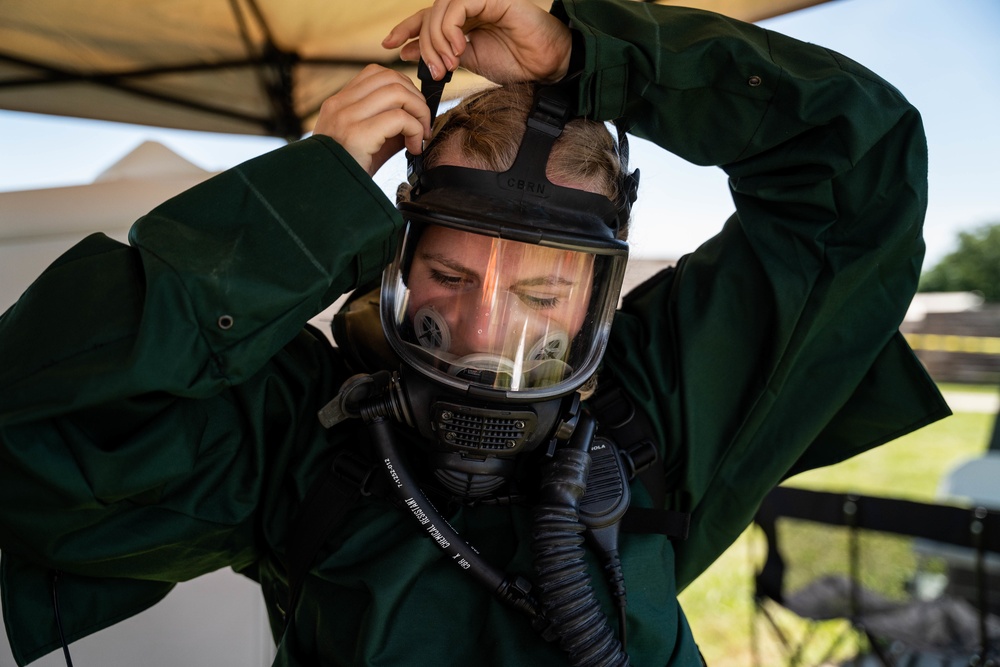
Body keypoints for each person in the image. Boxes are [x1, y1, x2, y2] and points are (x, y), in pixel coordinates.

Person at [0, 0, 951, 665]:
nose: (487, 326)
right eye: (451, 276)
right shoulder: (301, 430)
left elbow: (854, 168)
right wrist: (308, 199)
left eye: (540, 291)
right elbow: (30, 431)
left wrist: (594, 53)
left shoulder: (665, 403)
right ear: (395, 262)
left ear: (600, 295)